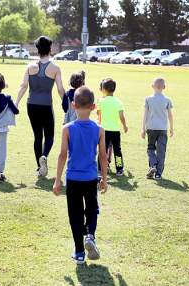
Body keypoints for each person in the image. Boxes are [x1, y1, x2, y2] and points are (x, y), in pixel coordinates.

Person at [53, 86, 108, 264]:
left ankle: (78, 252)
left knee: (75, 215)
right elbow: (103, 157)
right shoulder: (99, 129)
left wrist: (57, 180)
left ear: (73, 105)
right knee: (91, 209)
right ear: (93, 107)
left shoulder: (67, 129)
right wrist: (104, 179)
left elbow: (62, 156)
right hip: (91, 178)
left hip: (73, 179)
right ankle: (90, 235)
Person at [16, 36, 65, 177]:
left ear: (37, 50)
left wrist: (16, 102)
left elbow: (23, 86)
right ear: (50, 49)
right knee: (49, 136)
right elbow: (60, 89)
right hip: (46, 106)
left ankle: (39, 167)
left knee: (37, 136)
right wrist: (66, 103)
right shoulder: (55, 68)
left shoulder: (30, 67)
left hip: (31, 105)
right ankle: (44, 156)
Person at [141, 77, 174, 180]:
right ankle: (158, 173)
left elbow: (145, 115)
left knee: (150, 148)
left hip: (150, 128)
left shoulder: (148, 99)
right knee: (161, 151)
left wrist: (142, 128)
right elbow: (170, 115)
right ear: (164, 87)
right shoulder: (167, 100)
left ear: (152, 86)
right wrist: (171, 128)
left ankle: (153, 165)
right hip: (162, 129)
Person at [97, 78, 128, 176]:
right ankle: (119, 169)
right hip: (115, 131)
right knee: (117, 150)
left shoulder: (101, 101)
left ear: (104, 89)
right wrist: (125, 126)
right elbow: (122, 117)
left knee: (102, 150)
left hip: (103, 130)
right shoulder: (118, 102)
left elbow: (99, 116)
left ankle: (100, 169)